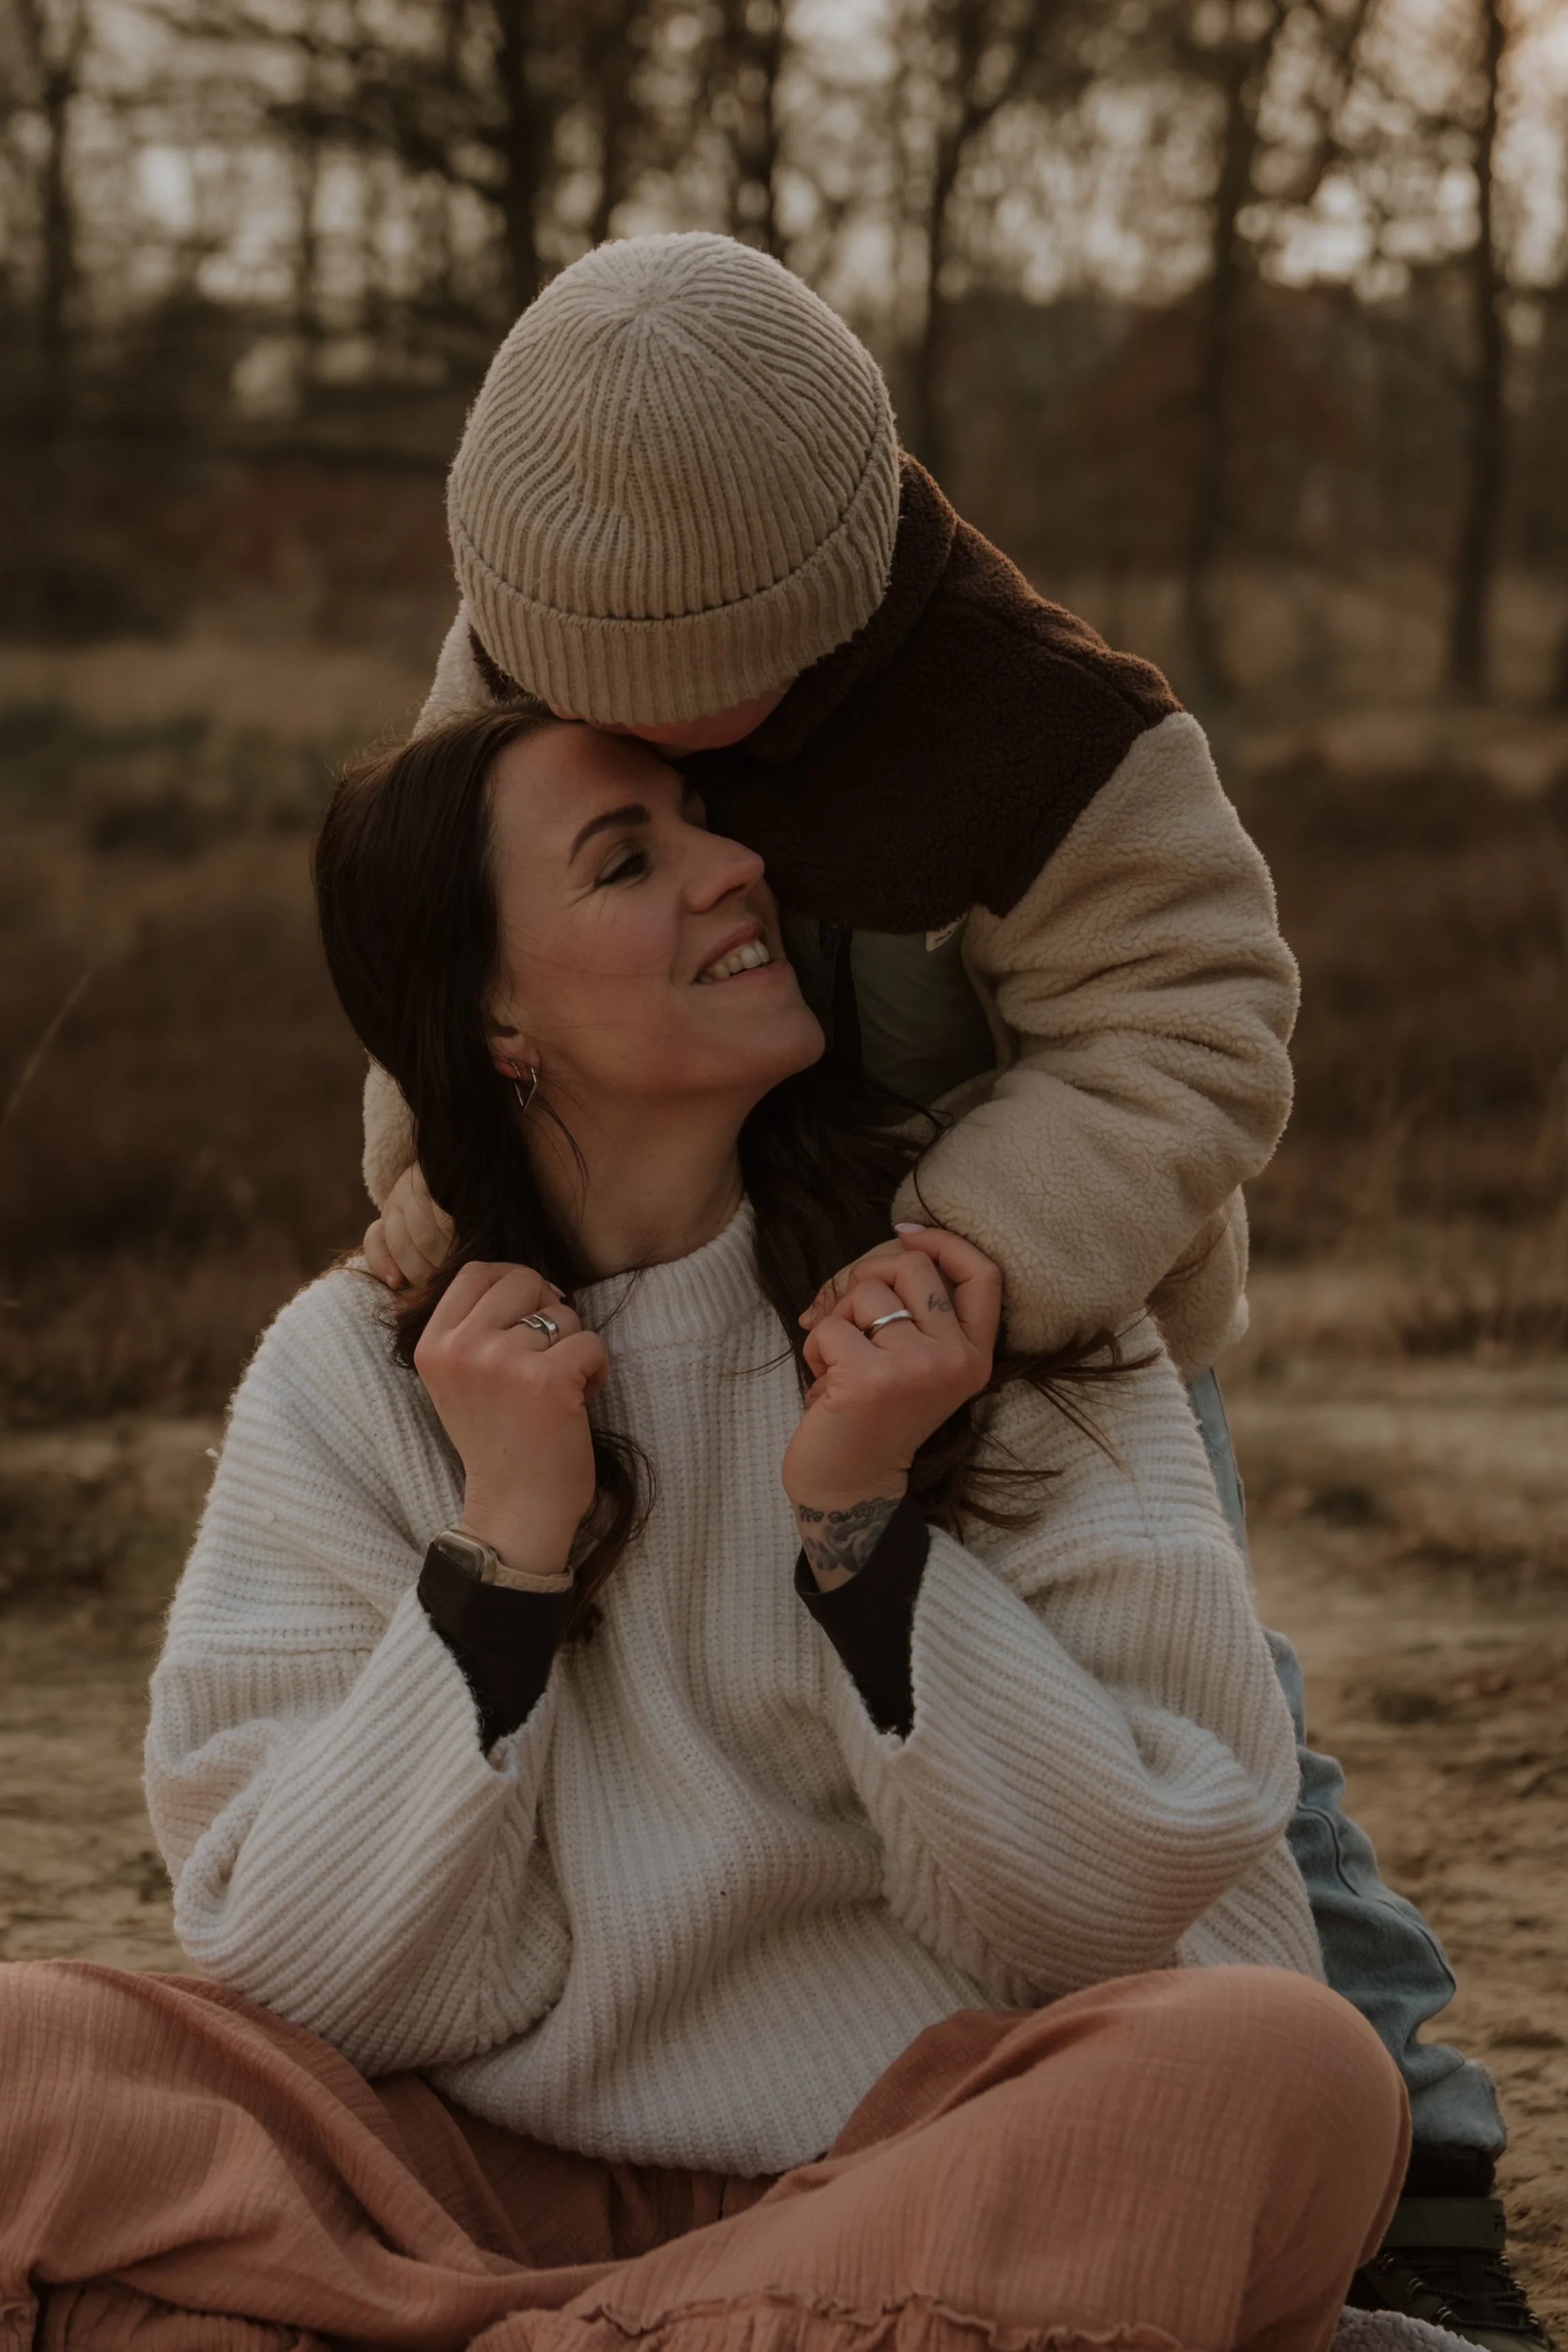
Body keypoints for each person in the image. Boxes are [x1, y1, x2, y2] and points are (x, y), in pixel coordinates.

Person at [357, 233, 1543, 2352]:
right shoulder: (533, 652)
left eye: (682, 705)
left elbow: (1195, 1024)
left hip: (1037, 1337)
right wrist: (440, 1208)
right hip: (678, 1314)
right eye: (576, 693)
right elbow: (453, 964)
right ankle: (801, 2120)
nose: (620, 735)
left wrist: (966, 1253)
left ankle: (1416, 2152)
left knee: (1198, 1737)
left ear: (813, 607)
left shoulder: (1045, 730)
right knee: (752, 1723)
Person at [0, 708, 1409, 2352]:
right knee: (30, 2058)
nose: (735, 867)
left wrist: (862, 1528)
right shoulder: (355, 1374)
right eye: (627, 861)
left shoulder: (985, 1291)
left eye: (702, 820)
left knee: (1281, 2068)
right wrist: (503, 1556)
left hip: (937, 2158)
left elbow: (1117, 1903)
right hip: (477, 2190)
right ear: (494, 1015)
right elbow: (317, 1986)